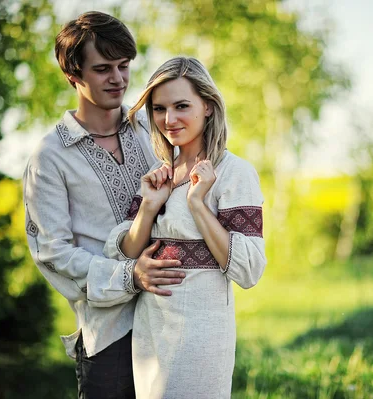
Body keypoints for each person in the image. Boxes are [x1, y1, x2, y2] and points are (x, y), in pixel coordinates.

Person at [22, 12, 185, 398]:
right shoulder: (50, 157)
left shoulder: (154, 128)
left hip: (174, 318)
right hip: (110, 336)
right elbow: (53, 253)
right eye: (102, 69)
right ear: (73, 75)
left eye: (124, 66)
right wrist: (130, 275)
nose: (118, 78)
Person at [103, 56, 267, 398]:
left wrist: (197, 203)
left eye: (181, 106)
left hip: (201, 332)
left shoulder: (234, 172)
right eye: (160, 109)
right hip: (151, 330)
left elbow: (249, 270)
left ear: (207, 106)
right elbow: (127, 253)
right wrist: (149, 205)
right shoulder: (159, 175)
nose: (169, 119)